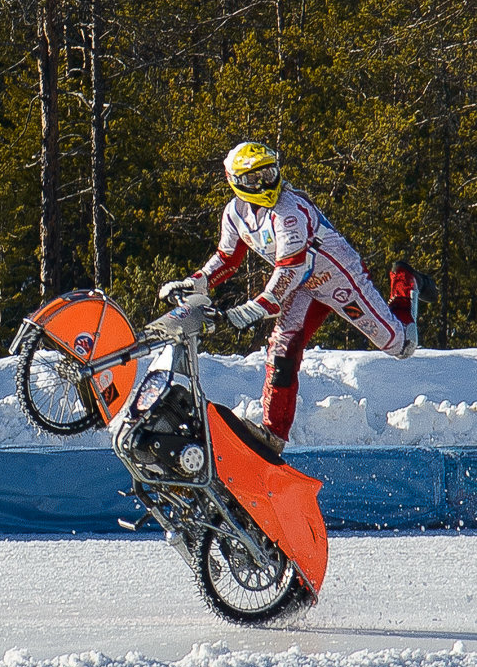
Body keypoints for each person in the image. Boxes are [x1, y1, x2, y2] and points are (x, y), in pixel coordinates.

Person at [159, 141, 437, 455]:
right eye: (255, 178)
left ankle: (404, 282)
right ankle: (272, 434)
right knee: (282, 346)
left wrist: (257, 306)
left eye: (269, 172)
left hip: (336, 276)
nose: (266, 183)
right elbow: (227, 257)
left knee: (401, 345)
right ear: (236, 182)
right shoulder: (234, 213)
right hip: (302, 286)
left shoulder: (289, 210)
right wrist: (195, 282)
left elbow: (290, 268)